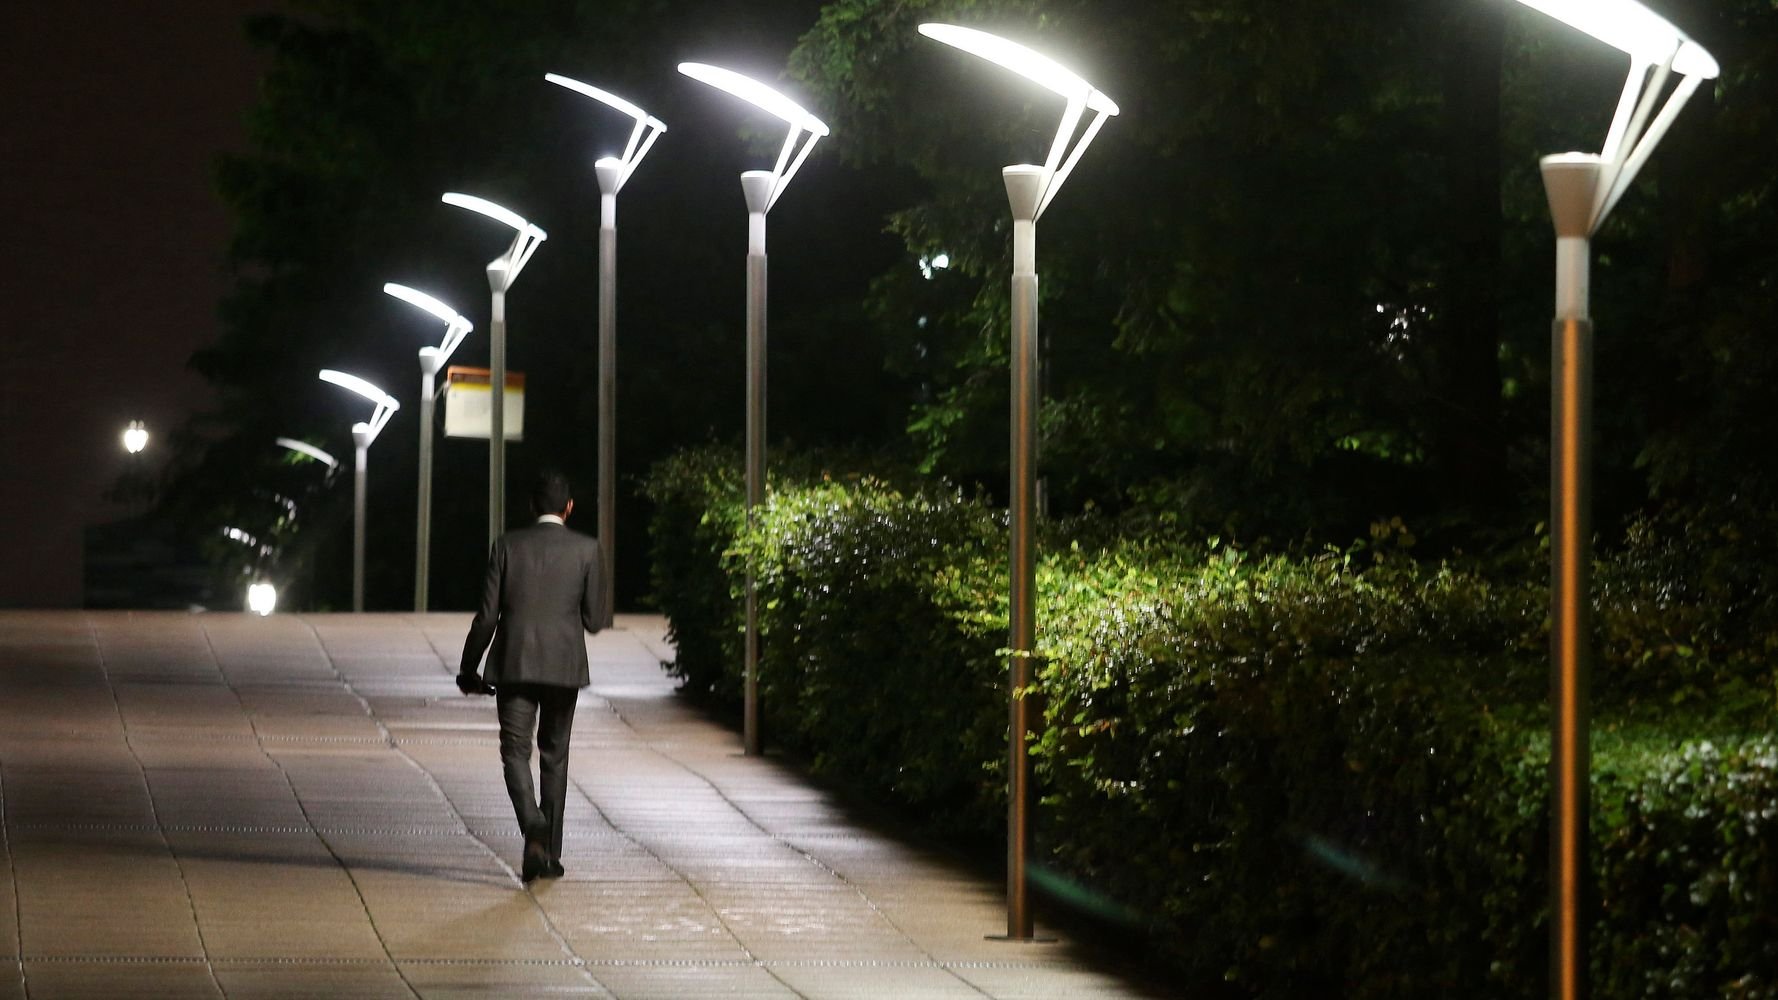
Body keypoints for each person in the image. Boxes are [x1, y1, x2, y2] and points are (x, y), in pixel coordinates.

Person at [458, 468, 606, 883]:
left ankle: (532, 824)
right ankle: (549, 854)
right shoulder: (588, 549)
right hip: (563, 667)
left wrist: (469, 667)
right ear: (569, 508)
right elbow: (595, 620)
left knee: (515, 751)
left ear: (531, 506)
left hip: (514, 664)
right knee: (555, 756)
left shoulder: (507, 546)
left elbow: (487, 616)